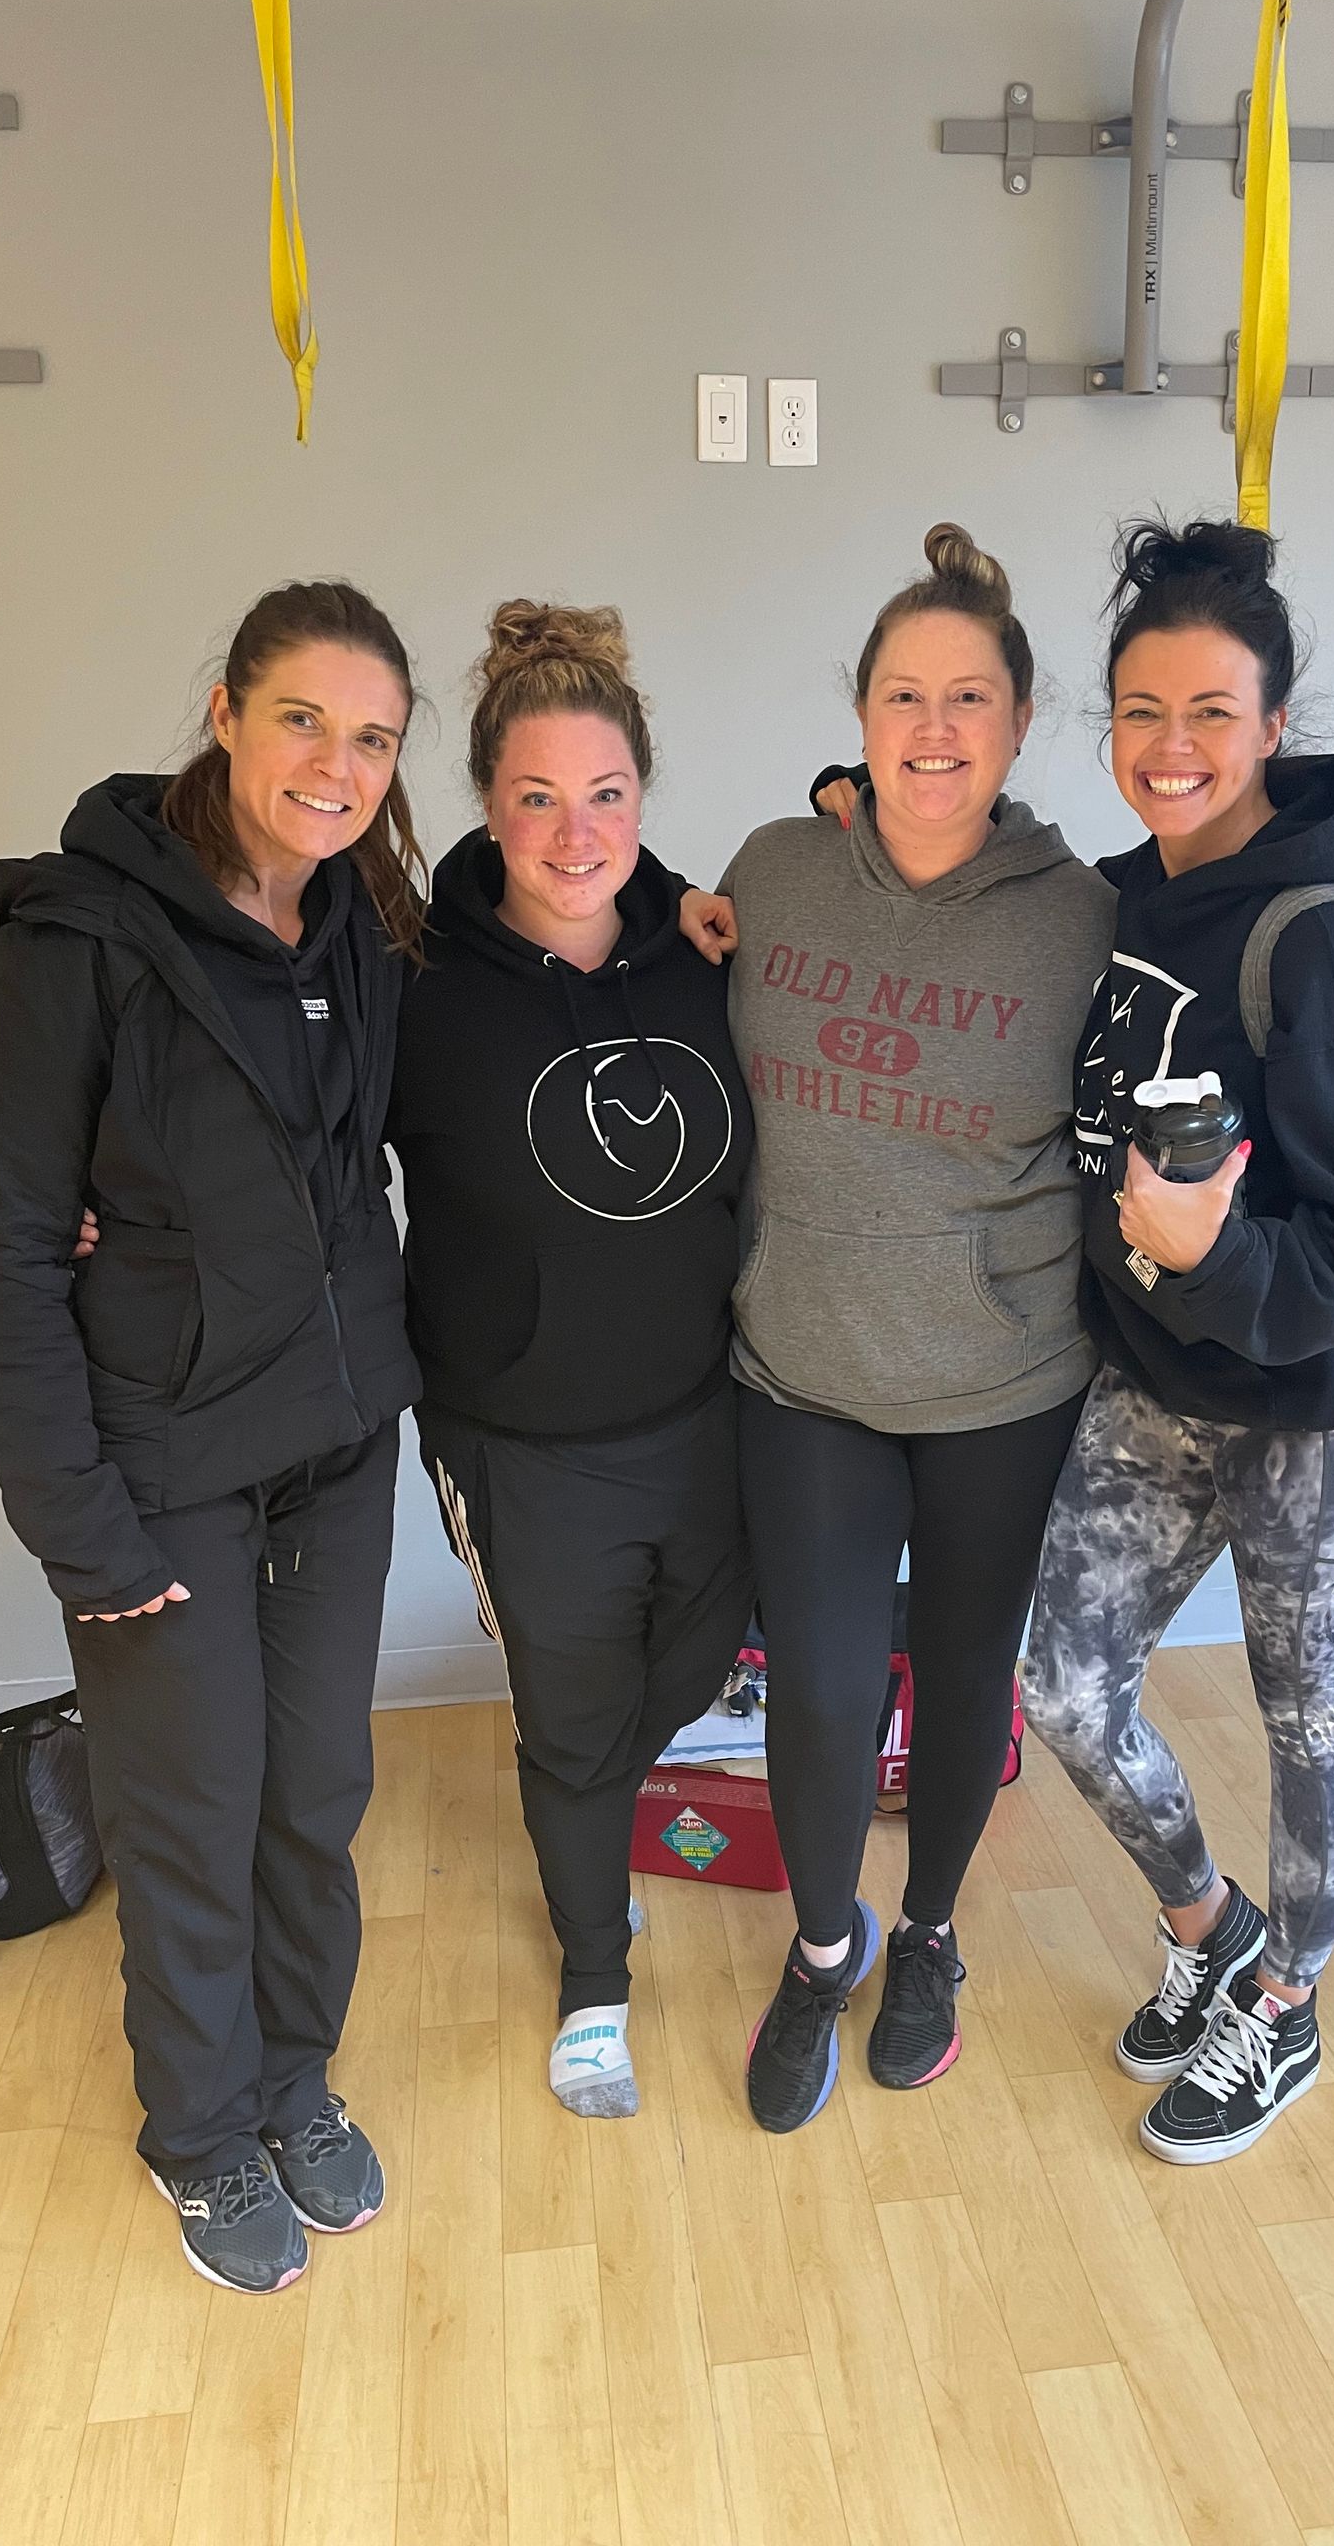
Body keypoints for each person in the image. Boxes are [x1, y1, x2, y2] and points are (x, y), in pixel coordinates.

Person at [0, 581, 425, 2293]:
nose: (333, 764)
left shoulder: (360, 918)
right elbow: (4, 1248)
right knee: (194, 1812)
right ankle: (200, 2135)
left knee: (319, 1797)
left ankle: (292, 2080)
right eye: (302, 720)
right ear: (223, 712)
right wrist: (83, 1530)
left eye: (370, 738)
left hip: (335, 1451)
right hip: (159, 1475)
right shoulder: (77, 947)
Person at [1018, 518, 1334, 2164]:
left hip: (1323, 1410)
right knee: (1063, 1686)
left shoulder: (1319, 935)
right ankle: (1213, 1933)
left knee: (1308, 1714)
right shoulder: (1130, 898)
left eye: (1211, 712)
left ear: (1275, 725)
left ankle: (1289, 2014)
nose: (1172, 747)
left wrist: (1202, 1257)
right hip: (1162, 1384)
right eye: (1141, 710)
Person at [685, 525, 1116, 2133]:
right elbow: (645, 997)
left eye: (969, 699)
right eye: (902, 695)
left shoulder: (1077, 915)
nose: (934, 729)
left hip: (1003, 1377)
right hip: (804, 1367)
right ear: (860, 719)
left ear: (1017, 726)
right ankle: (821, 1947)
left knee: (962, 1673)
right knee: (818, 1687)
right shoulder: (772, 876)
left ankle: (928, 1934)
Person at [392, 601, 755, 2120]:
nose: (573, 830)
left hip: (717, 1411)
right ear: (487, 800)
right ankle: (592, 1971)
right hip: (522, 1437)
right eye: (537, 796)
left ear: (643, 797)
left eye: (603, 794)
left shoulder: (706, 954)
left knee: (687, 1663)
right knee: (573, 1710)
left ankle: (596, 1809)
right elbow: (273, 1136)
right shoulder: (414, 982)